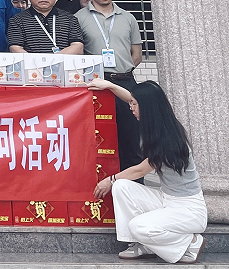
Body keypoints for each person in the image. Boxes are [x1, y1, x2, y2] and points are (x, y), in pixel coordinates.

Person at [89, 79, 207, 264]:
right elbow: (131, 97)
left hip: (189, 210)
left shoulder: (168, 137)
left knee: (138, 225)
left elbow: (140, 170)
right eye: (132, 103)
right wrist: (110, 86)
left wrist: (109, 179)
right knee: (122, 187)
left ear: (147, 108)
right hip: (167, 200)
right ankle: (142, 244)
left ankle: (190, 242)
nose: (131, 108)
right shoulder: (158, 126)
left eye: (135, 105)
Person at [75, 0, 144, 175]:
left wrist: (120, 71)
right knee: (99, 139)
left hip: (125, 83)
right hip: (96, 85)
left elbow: (136, 55)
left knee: (131, 139)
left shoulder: (128, 18)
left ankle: (134, 187)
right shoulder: (78, 18)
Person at [7, 0, 83, 54]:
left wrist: (55, 60)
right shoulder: (17, 21)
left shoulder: (70, 19)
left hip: (64, 62)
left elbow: (78, 47)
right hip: (32, 63)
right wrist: (40, 62)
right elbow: (15, 48)